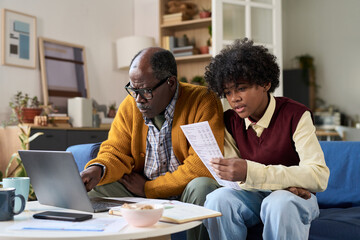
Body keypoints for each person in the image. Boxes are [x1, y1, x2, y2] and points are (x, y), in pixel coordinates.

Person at [80, 47, 223, 240]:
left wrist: (149, 189)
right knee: (96, 188)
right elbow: (115, 150)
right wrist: (98, 169)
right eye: (133, 89)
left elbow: (202, 165)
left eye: (146, 91)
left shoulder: (203, 100)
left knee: (202, 186)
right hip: (140, 191)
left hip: (182, 191)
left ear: (171, 82)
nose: (138, 99)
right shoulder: (130, 105)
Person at [202, 38, 330, 240]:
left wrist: (251, 172)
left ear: (265, 83)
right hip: (254, 196)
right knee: (217, 199)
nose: (234, 98)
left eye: (241, 88)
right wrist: (280, 182)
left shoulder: (296, 115)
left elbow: (318, 176)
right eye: (227, 92)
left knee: (279, 202)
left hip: (296, 197)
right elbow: (235, 182)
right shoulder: (229, 121)